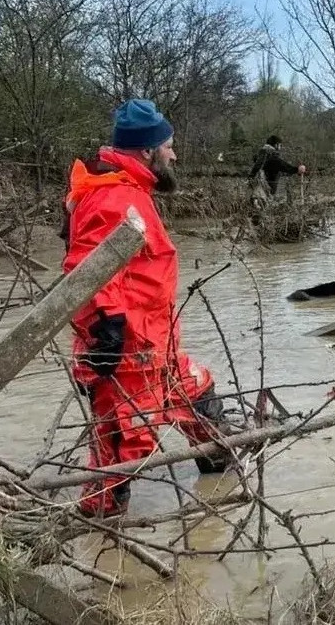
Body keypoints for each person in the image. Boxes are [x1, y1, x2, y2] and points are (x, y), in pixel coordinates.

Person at [62, 98, 232, 518]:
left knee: (202, 401)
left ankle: (224, 491)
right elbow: (88, 265)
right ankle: (99, 536)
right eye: (168, 145)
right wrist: (109, 325)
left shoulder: (130, 191)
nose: (173, 154)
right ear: (147, 151)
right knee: (122, 453)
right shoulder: (115, 197)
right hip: (127, 354)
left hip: (157, 347)